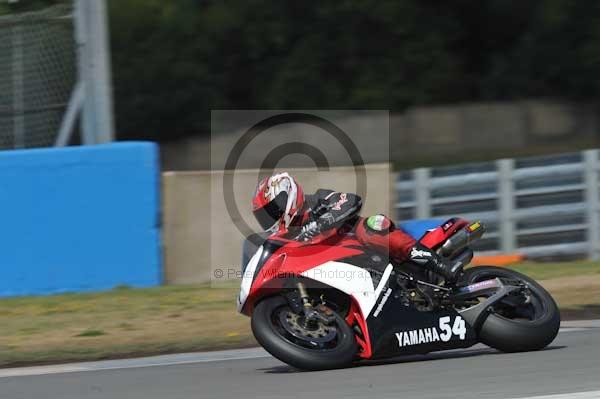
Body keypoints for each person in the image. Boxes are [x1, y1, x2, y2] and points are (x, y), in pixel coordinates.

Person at [251, 172, 460, 281]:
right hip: (338, 266)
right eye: (266, 215)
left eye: (273, 209)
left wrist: (319, 223)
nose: (272, 216)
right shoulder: (289, 237)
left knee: (373, 225)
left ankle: (440, 265)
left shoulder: (319, 199)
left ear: (289, 193)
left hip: (361, 244)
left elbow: (350, 200)